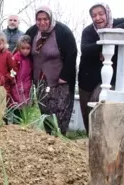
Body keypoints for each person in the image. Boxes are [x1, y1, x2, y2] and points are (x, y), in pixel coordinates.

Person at [78, 3, 124, 134]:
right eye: (94, 15)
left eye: (101, 14)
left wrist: (111, 34)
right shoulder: (89, 31)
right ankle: (91, 146)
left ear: (107, 13)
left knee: (99, 112)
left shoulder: (117, 23)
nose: (97, 18)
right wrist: (103, 44)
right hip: (87, 80)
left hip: (107, 81)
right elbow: (86, 49)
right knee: (88, 118)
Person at [26, 6, 77, 135]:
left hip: (59, 81)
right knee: (45, 111)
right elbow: (22, 49)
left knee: (60, 113)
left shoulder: (62, 31)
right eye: (39, 19)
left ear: (50, 18)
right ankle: (48, 139)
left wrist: (64, 77)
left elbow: (72, 54)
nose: (42, 22)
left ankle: (60, 139)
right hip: (40, 80)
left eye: (45, 19)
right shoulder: (32, 32)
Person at [10, 35, 32, 118]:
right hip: (16, 88)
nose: (25, 51)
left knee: (24, 113)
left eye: (28, 48)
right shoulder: (16, 58)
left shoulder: (30, 59)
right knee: (17, 111)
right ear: (19, 47)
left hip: (26, 88)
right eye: (23, 48)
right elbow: (13, 73)